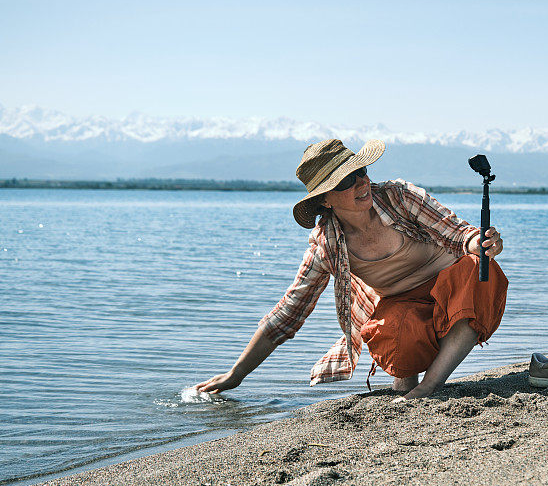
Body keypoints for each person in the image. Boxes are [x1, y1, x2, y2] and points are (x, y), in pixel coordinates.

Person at [195, 138, 508, 400]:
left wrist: (478, 243)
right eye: (346, 180)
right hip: (404, 307)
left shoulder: (398, 196)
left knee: (480, 268)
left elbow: (457, 232)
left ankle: (429, 387)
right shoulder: (326, 245)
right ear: (325, 200)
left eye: (361, 171)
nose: (361, 182)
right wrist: (236, 373)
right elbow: (288, 313)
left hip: (454, 289)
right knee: (392, 329)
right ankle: (405, 388)